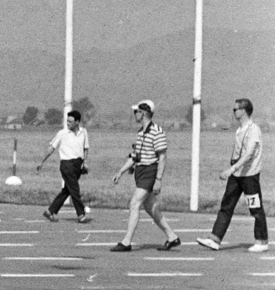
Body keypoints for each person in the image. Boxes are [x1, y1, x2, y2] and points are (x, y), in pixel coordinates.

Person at [197, 98, 267, 253]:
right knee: (226, 204)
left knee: (255, 207)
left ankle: (261, 240)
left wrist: (231, 169)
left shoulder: (253, 130)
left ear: (243, 111)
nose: (234, 112)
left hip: (249, 175)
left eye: (236, 109)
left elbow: (248, 154)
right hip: (237, 175)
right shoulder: (239, 130)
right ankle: (215, 238)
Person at [110, 99, 181, 252]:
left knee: (134, 203)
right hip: (141, 172)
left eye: (136, 111)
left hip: (150, 172)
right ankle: (172, 236)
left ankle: (126, 241)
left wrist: (158, 180)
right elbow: (135, 156)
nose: (134, 114)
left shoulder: (157, 131)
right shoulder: (141, 133)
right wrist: (121, 171)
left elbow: (162, 157)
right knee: (151, 208)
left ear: (143, 113)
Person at [37, 109, 93, 223]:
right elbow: (52, 147)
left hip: (78, 164)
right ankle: (81, 214)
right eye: (67, 121)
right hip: (67, 164)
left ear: (77, 122)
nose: (68, 124)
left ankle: (50, 211)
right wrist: (42, 161)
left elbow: (85, 148)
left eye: (71, 122)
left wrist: (85, 162)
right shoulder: (62, 133)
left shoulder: (84, 132)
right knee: (75, 189)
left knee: (67, 190)